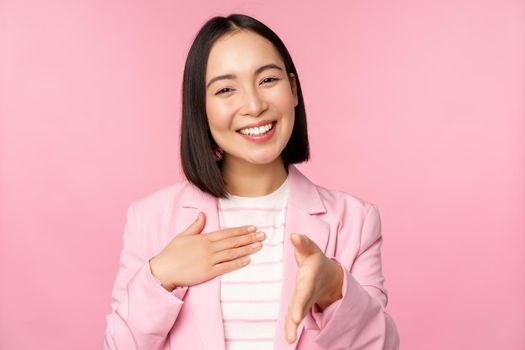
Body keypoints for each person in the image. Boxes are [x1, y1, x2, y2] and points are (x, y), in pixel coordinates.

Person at [102, 13, 400, 350]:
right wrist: (160, 276)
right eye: (226, 89)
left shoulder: (354, 221)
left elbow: (383, 345)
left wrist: (334, 289)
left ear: (294, 90)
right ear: (200, 108)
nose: (255, 105)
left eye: (268, 80)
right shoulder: (150, 218)